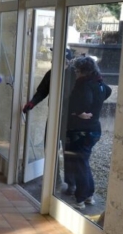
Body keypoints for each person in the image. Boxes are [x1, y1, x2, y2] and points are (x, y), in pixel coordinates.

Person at [22, 48, 77, 193]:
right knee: (50, 148)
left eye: (57, 57)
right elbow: (42, 91)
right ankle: (55, 181)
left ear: (67, 61)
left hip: (70, 120)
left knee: (68, 152)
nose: (53, 60)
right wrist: (32, 103)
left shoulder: (74, 75)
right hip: (53, 117)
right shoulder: (51, 74)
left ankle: (71, 184)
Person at [64, 56, 112, 209]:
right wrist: (95, 107)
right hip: (94, 129)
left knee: (80, 164)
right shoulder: (100, 83)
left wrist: (78, 112)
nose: (76, 74)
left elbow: (84, 100)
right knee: (83, 162)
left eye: (77, 71)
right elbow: (108, 91)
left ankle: (81, 198)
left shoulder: (83, 84)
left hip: (82, 131)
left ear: (82, 71)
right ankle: (89, 196)